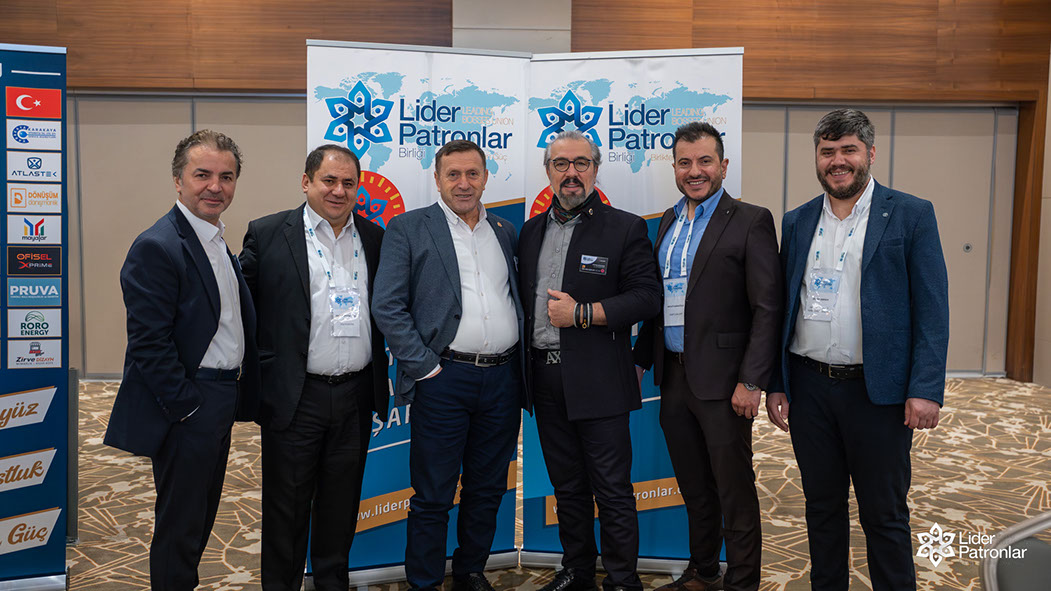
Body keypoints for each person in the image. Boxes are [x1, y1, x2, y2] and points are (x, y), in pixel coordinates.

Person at [766, 108, 949, 590]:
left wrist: (925, 388)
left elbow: (932, 310)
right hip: (809, 389)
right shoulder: (798, 220)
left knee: (883, 514)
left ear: (870, 153)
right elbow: (784, 307)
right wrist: (777, 382)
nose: (837, 161)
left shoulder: (910, 214)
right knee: (821, 508)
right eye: (827, 152)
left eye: (848, 150)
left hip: (878, 393)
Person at [104, 130, 260, 591]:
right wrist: (188, 407)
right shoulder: (158, 245)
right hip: (191, 404)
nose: (215, 186)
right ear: (178, 180)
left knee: (199, 517)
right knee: (180, 526)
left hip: (220, 398)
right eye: (202, 175)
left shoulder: (214, 240)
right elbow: (148, 344)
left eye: (226, 177)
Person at [633, 122, 782, 591]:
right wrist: (640, 361)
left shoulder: (751, 220)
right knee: (694, 488)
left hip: (725, 383)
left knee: (733, 491)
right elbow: (659, 301)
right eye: (684, 162)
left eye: (704, 161)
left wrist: (752, 380)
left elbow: (767, 307)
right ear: (674, 167)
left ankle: (742, 583)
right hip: (674, 377)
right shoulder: (668, 221)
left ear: (723, 165)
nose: (694, 171)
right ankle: (703, 572)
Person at [373, 140, 524, 591]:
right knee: (434, 493)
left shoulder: (504, 230)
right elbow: (387, 306)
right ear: (437, 179)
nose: (463, 183)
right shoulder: (408, 228)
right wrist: (426, 368)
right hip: (443, 379)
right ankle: (424, 581)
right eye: (453, 174)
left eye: (472, 173)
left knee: (488, 487)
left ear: (485, 178)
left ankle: (470, 571)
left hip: (502, 380)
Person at [239, 144, 389, 591]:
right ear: (306, 182)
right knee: (286, 509)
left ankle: (331, 583)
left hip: (355, 395)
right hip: (295, 395)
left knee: (341, 507)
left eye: (348, 183)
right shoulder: (268, 234)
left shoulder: (375, 238)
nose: (339, 191)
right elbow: (240, 308)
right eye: (329, 181)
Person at [518, 130, 661, 591]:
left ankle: (622, 580)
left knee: (612, 489)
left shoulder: (624, 227)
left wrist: (582, 314)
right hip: (544, 377)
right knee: (567, 487)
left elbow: (647, 297)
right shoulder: (530, 232)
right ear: (548, 171)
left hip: (600, 379)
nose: (571, 173)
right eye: (561, 164)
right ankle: (577, 571)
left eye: (581, 163)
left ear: (596, 169)